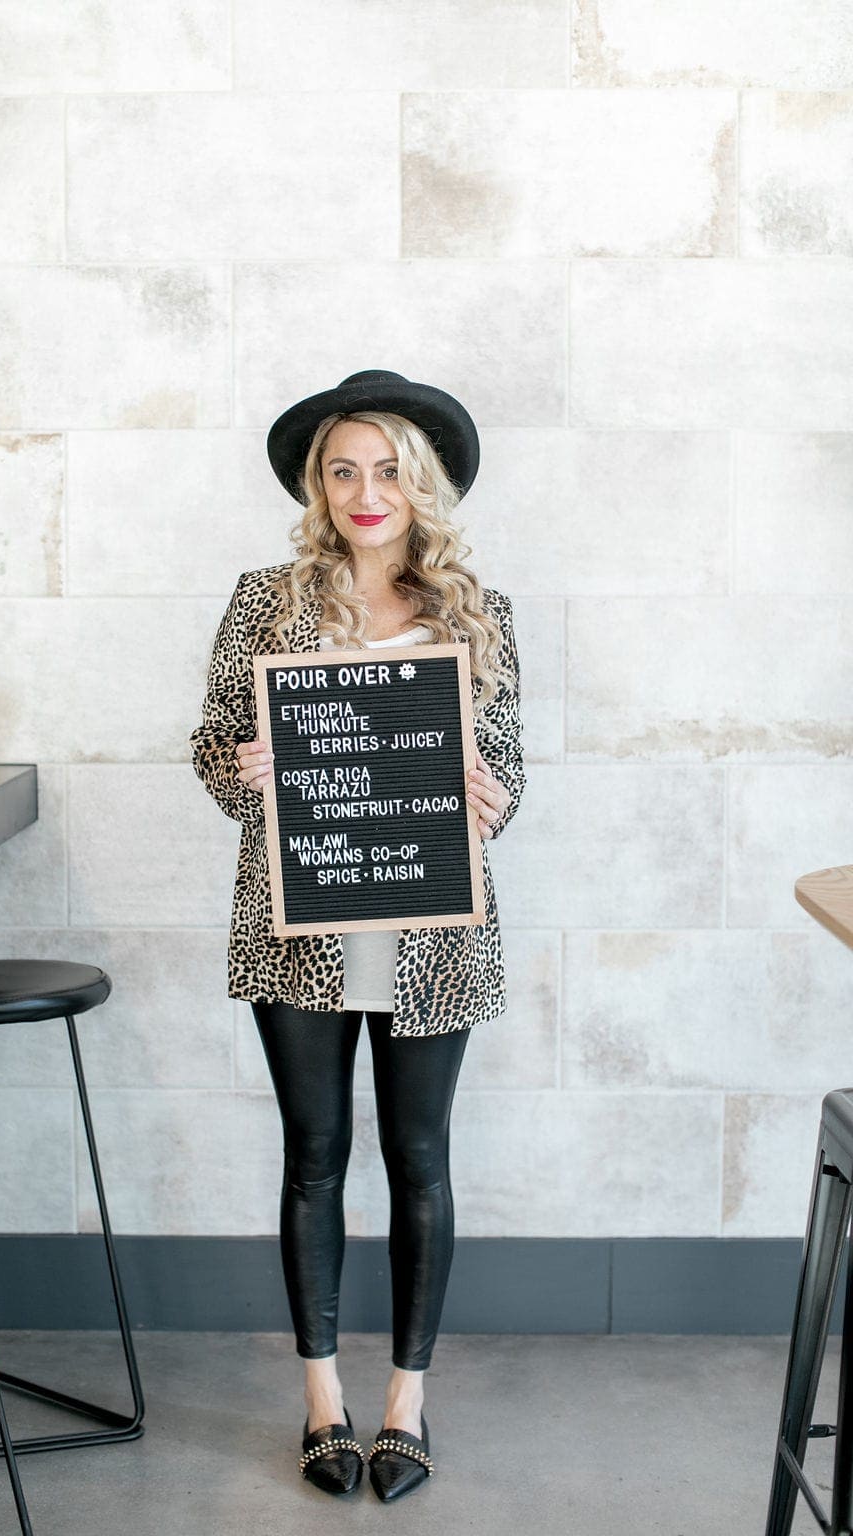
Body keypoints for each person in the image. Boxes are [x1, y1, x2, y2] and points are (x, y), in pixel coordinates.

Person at [189, 370, 526, 1502]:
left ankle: (405, 1402)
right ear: (316, 486)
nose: (364, 491)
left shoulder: (474, 611)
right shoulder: (264, 600)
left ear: (418, 483)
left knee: (420, 1163)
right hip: (301, 926)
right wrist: (244, 775)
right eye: (342, 469)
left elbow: (510, 771)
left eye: (386, 469)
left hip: (430, 927)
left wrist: (487, 793)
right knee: (315, 1158)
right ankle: (323, 1398)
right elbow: (213, 744)